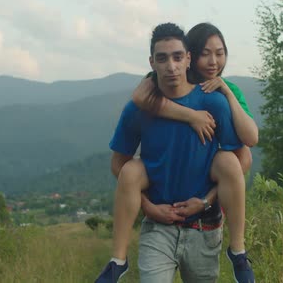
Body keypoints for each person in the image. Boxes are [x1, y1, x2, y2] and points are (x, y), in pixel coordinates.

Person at [96, 23, 255, 283]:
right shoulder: (138, 108)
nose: (171, 66)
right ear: (152, 63)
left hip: (205, 227)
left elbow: (242, 157)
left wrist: (206, 200)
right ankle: (117, 261)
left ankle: (238, 251)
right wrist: (149, 208)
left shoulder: (214, 101)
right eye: (162, 58)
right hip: (158, 228)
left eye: (178, 57)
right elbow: (119, 164)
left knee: (227, 160)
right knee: (131, 169)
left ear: (187, 59)